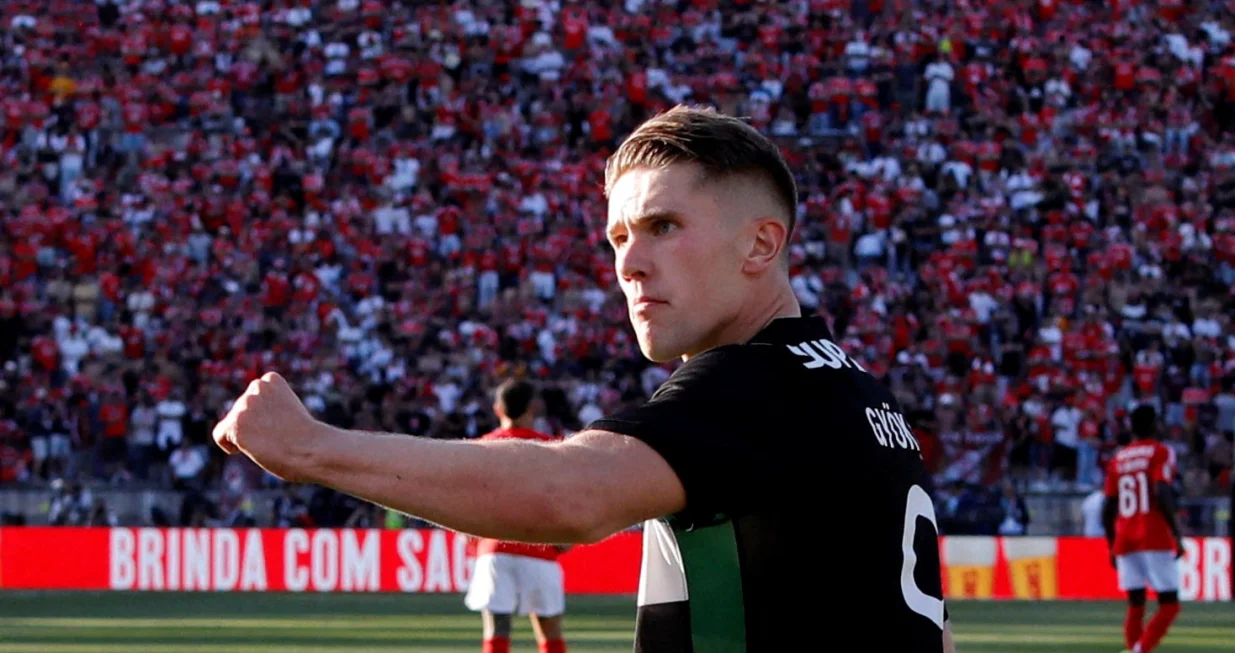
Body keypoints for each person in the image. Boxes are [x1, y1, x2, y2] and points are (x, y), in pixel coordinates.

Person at [213, 105, 953, 652]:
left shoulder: (755, 382)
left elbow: (567, 491)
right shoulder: (857, 390)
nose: (628, 264)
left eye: (662, 226)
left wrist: (308, 447)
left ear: (761, 244)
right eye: (618, 237)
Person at [464, 379, 569, 653]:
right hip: (540, 548)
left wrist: (471, 538)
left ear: (498, 409)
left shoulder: (482, 447)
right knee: (549, 632)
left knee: (497, 629)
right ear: (532, 408)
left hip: (495, 548)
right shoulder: (550, 448)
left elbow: (467, 499)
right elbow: (563, 497)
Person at [1102, 405, 1184, 653]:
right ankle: (1140, 650)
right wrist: (1176, 531)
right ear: (1154, 425)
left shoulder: (1118, 458)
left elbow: (1107, 507)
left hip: (1125, 536)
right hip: (1152, 533)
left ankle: (1134, 648)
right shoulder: (1161, 452)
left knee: (1136, 604)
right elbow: (1161, 491)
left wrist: (1111, 545)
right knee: (1169, 604)